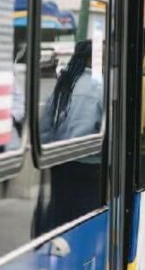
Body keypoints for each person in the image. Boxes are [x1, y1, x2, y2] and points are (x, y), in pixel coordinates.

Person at [34, 40, 104, 237]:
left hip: (60, 164)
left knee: (62, 219)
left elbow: (45, 126)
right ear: (93, 58)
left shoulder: (65, 83)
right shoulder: (102, 87)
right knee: (84, 222)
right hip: (90, 167)